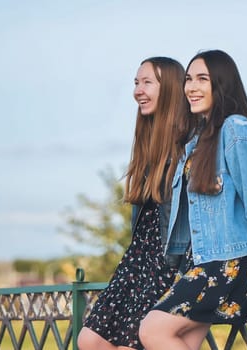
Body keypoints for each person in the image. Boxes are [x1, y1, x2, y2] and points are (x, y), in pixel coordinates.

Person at [139, 49, 247, 350]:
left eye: (202, 79)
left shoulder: (236, 130)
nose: (191, 88)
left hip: (230, 263)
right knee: (175, 339)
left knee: (152, 330)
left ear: (221, 84)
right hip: (202, 263)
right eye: (188, 80)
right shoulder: (199, 139)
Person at [77, 57, 195, 350]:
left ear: (169, 89)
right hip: (137, 261)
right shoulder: (149, 144)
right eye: (136, 82)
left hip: (167, 262)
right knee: (89, 340)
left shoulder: (190, 144)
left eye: (147, 82)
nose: (138, 91)